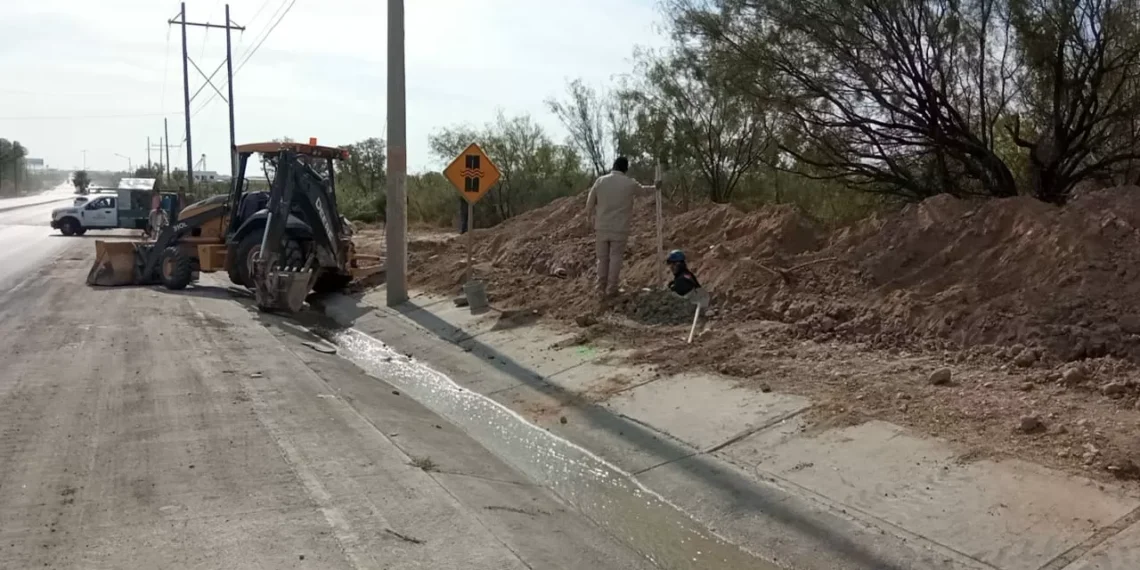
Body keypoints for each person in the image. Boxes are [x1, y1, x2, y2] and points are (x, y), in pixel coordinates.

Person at [584, 156, 659, 299]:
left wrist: (589, 217)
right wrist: (656, 187)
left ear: (614, 166)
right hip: (620, 228)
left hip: (602, 227)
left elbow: (589, 203)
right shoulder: (629, 183)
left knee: (602, 258)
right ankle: (611, 289)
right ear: (625, 168)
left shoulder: (600, 181)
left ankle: (600, 288)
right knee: (616, 258)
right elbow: (643, 191)